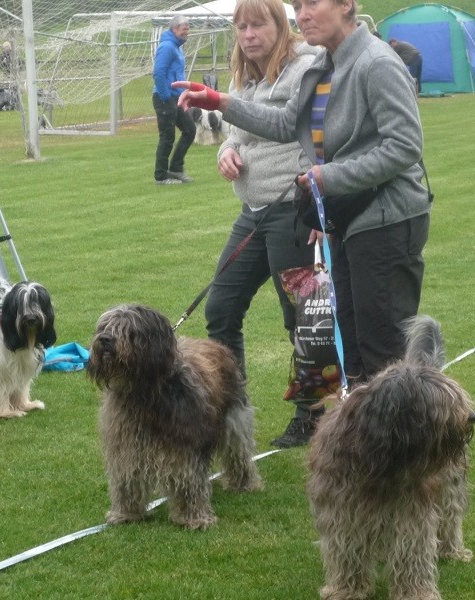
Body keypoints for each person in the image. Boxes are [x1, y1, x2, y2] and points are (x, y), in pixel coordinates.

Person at [177, 0, 430, 391]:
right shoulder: (323, 65)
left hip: (388, 221)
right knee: (351, 350)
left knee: (385, 355)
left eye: (312, 3)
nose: (302, 13)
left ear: (346, 4)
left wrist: (327, 177)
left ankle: (412, 447)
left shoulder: (376, 62)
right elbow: (284, 123)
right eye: (297, 5)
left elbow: (404, 146)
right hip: (350, 219)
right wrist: (221, 103)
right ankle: (365, 447)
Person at [205, 0, 317, 448]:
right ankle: (232, 408)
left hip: (292, 209)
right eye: (240, 27)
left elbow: (288, 127)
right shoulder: (244, 76)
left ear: (282, 24)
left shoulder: (305, 67)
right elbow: (238, 132)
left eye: (257, 24)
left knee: (301, 317)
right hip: (252, 212)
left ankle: (313, 412)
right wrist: (225, 153)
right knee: (221, 309)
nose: (248, 34)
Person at [152, 16, 195, 185]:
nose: (187, 31)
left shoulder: (177, 48)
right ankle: (161, 176)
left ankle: (176, 169)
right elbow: (158, 73)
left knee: (190, 130)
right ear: (174, 29)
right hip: (165, 98)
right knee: (167, 137)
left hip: (176, 97)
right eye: (184, 28)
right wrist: (165, 96)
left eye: (188, 28)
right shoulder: (167, 47)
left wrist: (183, 94)